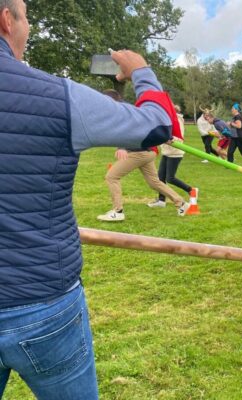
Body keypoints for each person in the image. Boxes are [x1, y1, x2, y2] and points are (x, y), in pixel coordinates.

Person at [0, 1, 176, 397]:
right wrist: (141, 72)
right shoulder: (58, 95)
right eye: (26, 17)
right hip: (42, 302)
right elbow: (160, 125)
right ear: (7, 20)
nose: (27, 28)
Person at [97, 105, 191, 221]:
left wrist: (121, 147)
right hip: (147, 153)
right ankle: (181, 203)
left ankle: (118, 211)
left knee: (111, 177)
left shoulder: (123, 114)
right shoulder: (131, 114)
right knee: (154, 182)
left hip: (138, 153)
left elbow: (128, 131)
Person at [148, 105, 196, 208]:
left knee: (170, 178)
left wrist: (167, 139)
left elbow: (178, 137)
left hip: (175, 152)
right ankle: (161, 201)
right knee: (161, 178)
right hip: (166, 151)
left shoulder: (177, 120)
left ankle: (191, 190)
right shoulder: (168, 121)